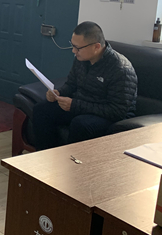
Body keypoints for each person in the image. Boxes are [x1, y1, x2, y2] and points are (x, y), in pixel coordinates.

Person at [31, 21, 138, 150]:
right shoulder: (81, 59)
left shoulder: (121, 69)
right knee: (41, 109)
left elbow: (117, 111)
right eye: (72, 45)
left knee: (81, 124)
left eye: (78, 48)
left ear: (96, 47)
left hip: (108, 117)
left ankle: (71, 161)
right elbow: (71, 84)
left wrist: (75, 105)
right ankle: (45, 156)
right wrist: (59, 93)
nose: (73, 51)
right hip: (82, 106)